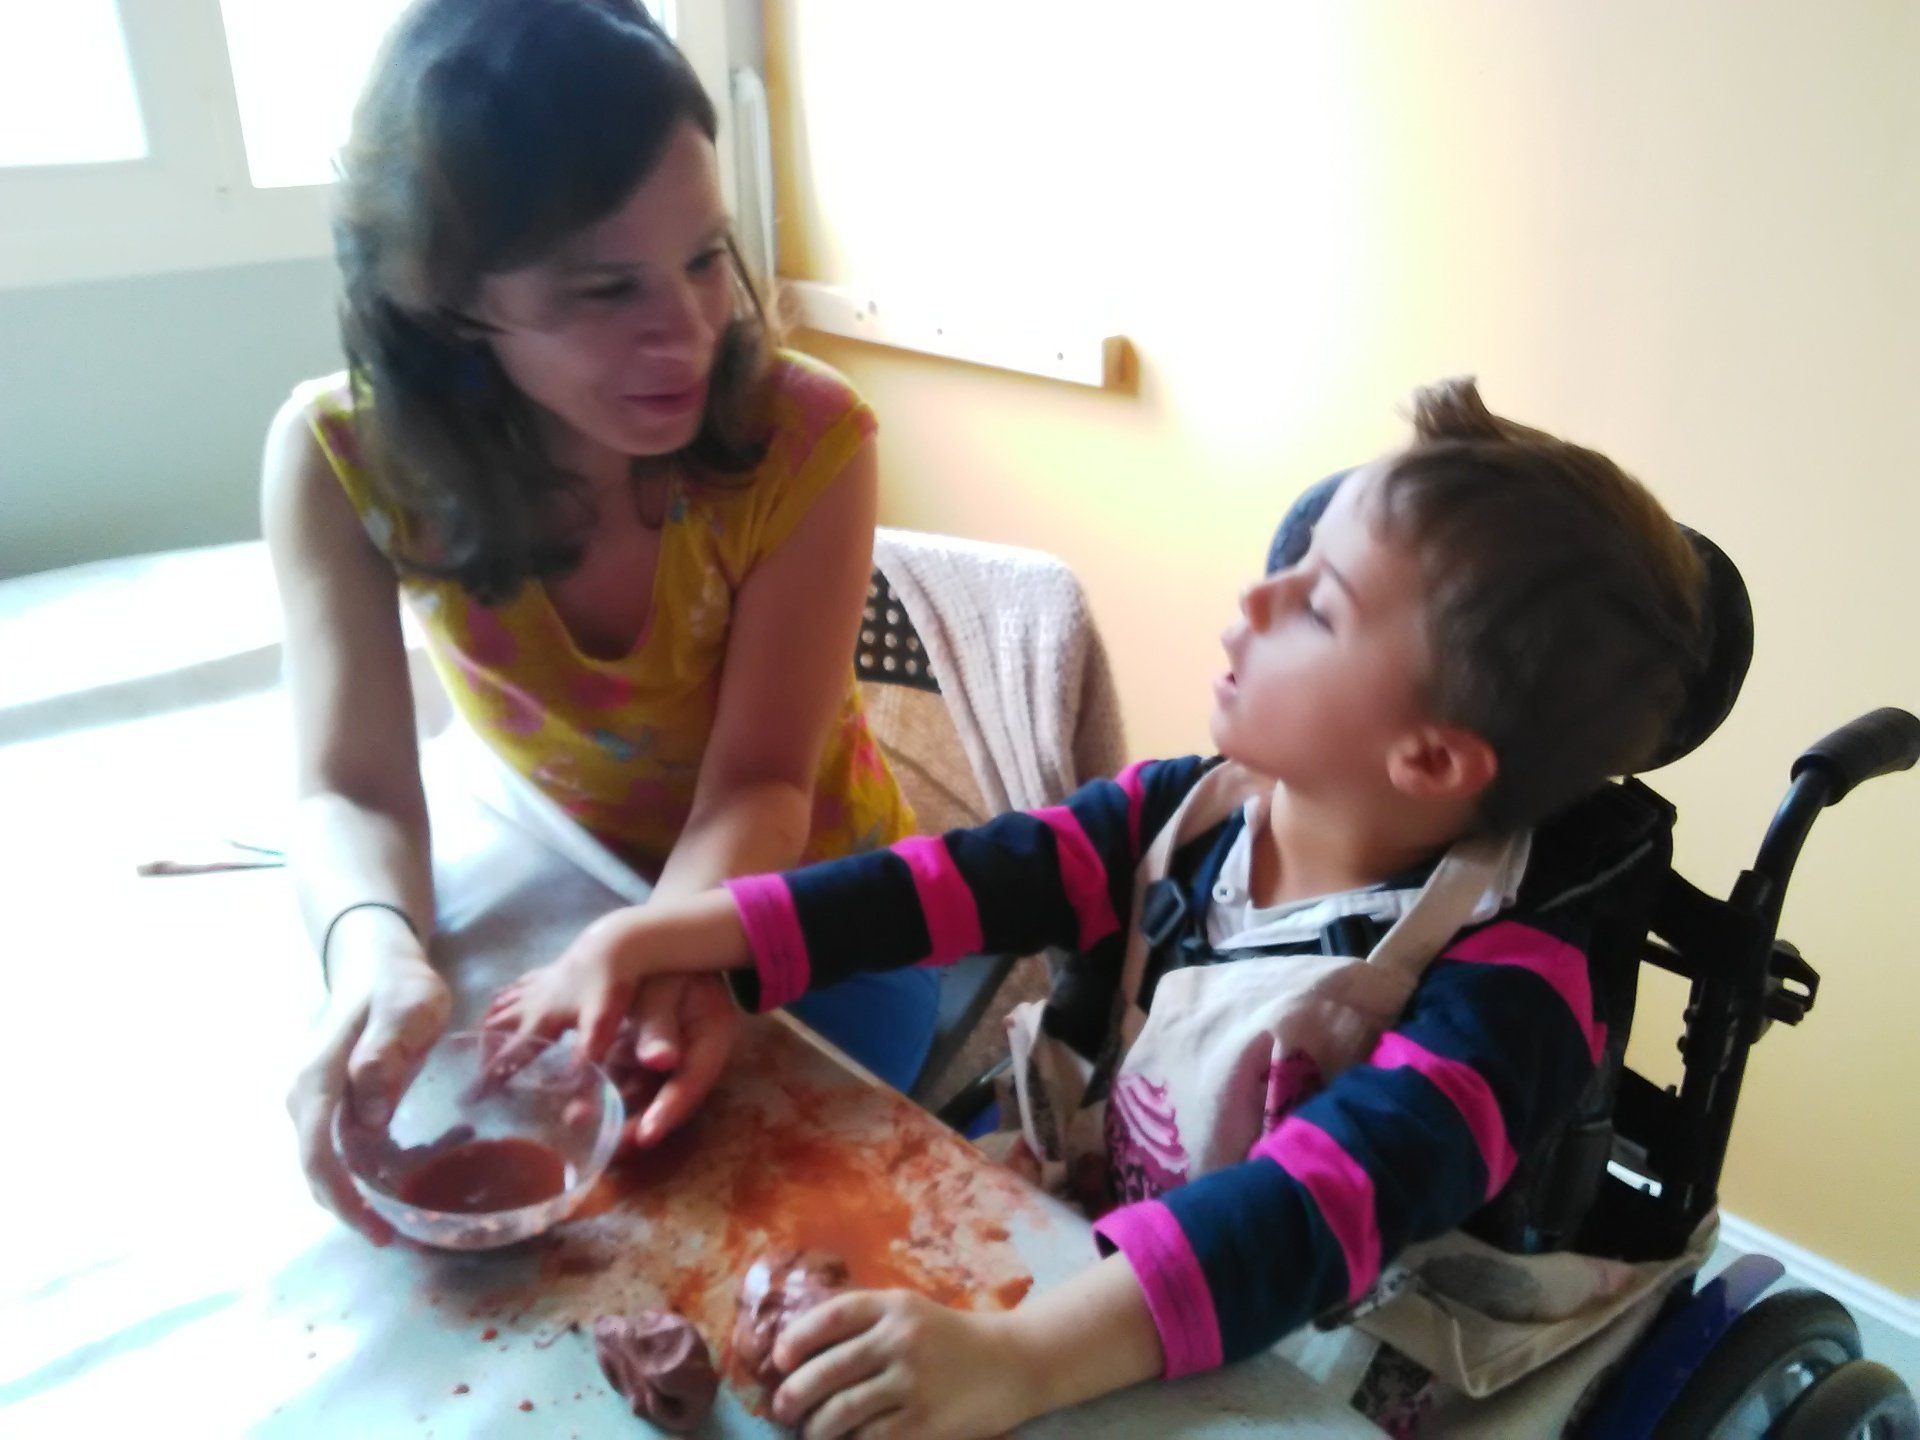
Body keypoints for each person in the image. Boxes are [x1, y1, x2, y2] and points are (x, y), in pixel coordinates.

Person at [484, 378, 1707, 1439]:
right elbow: (943, 885)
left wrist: (1016, 1362)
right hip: (1127, 1218)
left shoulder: (1511, 997)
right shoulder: (1185, 814)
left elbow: (1312, 1213)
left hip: (1339, 1317)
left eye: (1319, 604)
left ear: (1429, 760)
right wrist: (666, 935)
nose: (1257, 596)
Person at [263, 0, 934, 1248]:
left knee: (738, 1215)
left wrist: (672, 948)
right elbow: (350, 791)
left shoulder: (808, 438)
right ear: (442, 298)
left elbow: (761, 784)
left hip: (820, 907)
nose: (686, 333)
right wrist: (375, 952)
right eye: (604, 287)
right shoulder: (339, 460)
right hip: (570, 879)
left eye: (703, 259)